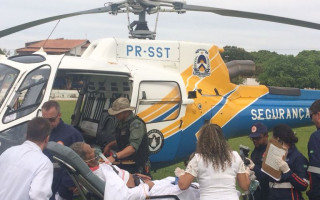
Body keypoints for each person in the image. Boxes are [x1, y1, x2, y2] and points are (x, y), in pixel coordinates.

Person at [71, 142, 200, 200]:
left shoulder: (98, 167)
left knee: (171, 180)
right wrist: (146, 188)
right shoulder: (103, 175)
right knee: (186, 190)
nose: (95, 150)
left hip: (138, 182)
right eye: (91, 151)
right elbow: (125, 196)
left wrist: (134, 176)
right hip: (141, 191)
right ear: (86, 161)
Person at [176, 123, 250, 200]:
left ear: (202, 140)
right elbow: (245, 186)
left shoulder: (198, 159)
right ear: (222, 139)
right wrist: (247, 173)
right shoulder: (235, 156)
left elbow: (183, 185)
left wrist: (181, 175)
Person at [0, 117, 53, 200]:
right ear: (47, 138)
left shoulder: (8, 151)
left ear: (26, 135)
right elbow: (38, 197)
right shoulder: (44, 163)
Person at [42, 100, 84, 200]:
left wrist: (78, 183)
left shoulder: (72, 134)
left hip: (62, 183)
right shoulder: (40, 131)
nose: (48, 123)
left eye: (51, 120)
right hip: (42, 179)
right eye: (44, 120)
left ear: (59, 115)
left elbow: (82, 161)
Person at [103, 97, 150, 175]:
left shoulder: (136, 124)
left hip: (137, 164)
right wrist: (109, 145)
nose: (115, 115)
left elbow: (132, 148)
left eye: (117, 113)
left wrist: (114, 156)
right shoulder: (121, 122)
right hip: (126, 161)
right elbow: (123, 138)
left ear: (126, 112)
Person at [268, 124, 308, 200]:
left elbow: (304, 185)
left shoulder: (298, 158)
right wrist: (254, 170)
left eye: (273, 138)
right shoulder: (274, 155)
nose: (271, 141)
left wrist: (288, 171)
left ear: (279, 140)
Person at [248, 122, 269, 200]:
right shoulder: (255, 151)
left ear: (266, 136)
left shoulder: (270, 151)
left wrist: (254, 168)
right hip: (255, 193)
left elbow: (269, 176)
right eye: (252, 138)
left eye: (257, 138)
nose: (254, 141)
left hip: (267, 193)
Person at [307, 100, 320, 200]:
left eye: (311, 115)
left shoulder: (316, 137)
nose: (311, 119)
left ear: (318, 115)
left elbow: (315, 169)